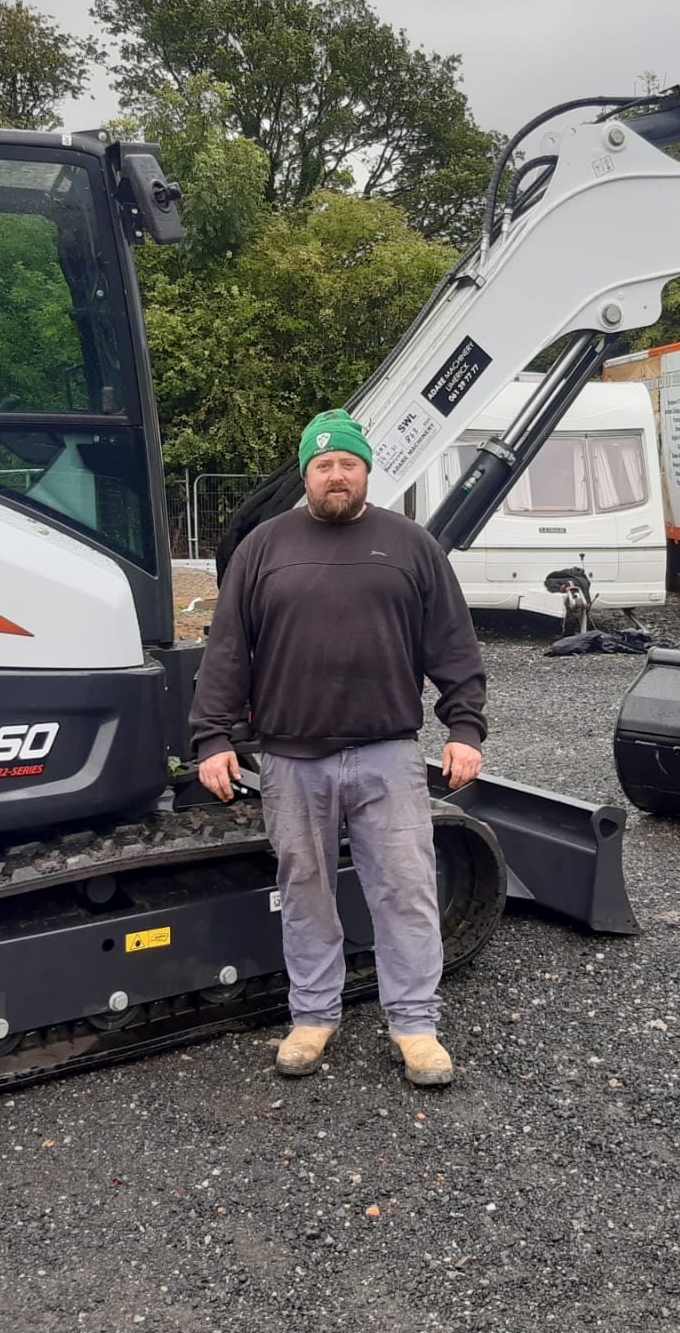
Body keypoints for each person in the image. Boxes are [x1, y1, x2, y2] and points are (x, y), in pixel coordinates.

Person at [189, 409, 486, 1087]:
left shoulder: (410, 545)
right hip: (292, 761)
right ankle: (313, 1017)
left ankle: (415, 1027)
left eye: (347, 463)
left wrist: (465, 728)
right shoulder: (265, 547)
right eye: (322, 465)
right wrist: (212, 737)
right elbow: (227, 651)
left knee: (406, 891)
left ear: (366, 471)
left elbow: (454, 645)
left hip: (387, 754)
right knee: (305, 891)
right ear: (305, 475)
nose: (336, 474)